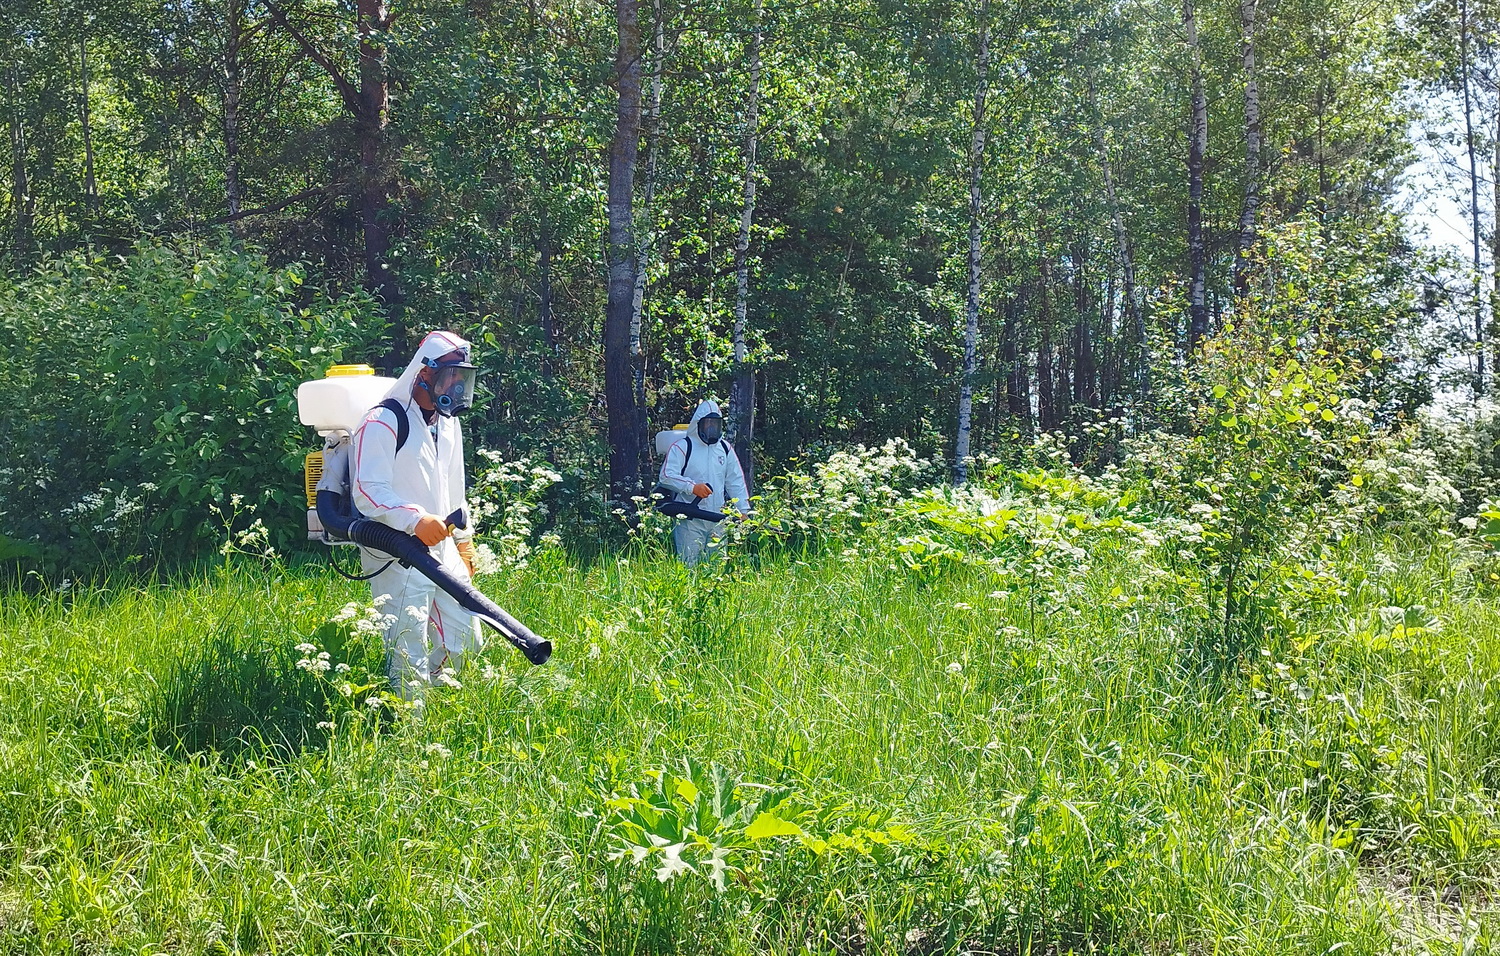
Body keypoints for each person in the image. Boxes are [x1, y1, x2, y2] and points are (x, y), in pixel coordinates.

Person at [351, 331, 481, 689]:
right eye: (450, 375)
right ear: (425, 373)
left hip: (443, 546)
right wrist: (414, 519)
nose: (456, 384)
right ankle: (410, 729)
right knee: (408, 648)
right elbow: (367, 490)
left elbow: (455, 488)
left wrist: (465, 544)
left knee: (466, 639)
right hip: (397, 551)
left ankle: (440, 715)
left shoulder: (448, 423)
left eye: (462, 377)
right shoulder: (382, 420)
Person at [656, 400, 751, 566]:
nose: (712, 429)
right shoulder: (683, 447)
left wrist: (743, 509)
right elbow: (666, 475)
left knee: (717, 566)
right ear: (698, 425)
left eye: (715, 424)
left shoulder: (725, 448)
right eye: (708, 424)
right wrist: (692, 487)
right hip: (689, 519)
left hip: (718, 519)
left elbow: (735, 480)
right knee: (688, 566)